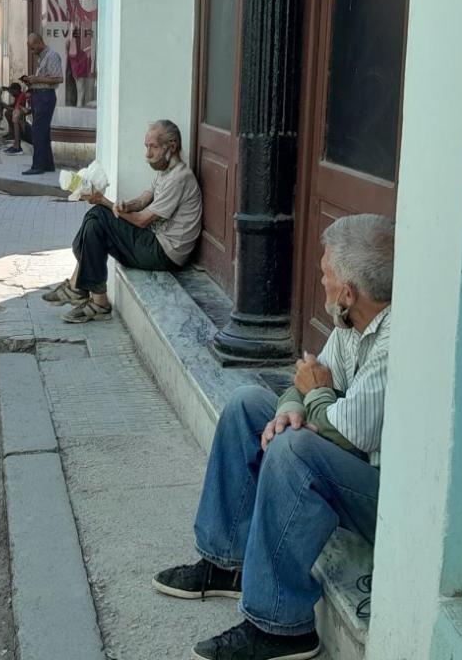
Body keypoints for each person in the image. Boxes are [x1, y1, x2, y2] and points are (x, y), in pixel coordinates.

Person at [153, 214, 394, 660]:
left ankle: (282, 627)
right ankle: (227, 563)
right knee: (248, 404)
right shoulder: (350, 322)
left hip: (386, 498)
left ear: (348, 292)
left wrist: (313, 397)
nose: (319, 281)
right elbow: (301, 381)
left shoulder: (395, 340)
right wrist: (286, 410)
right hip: (348, 450)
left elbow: (348, 433)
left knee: (295, 450)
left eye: (325, 274)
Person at [44, 120, 202, 323]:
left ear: (172, 146)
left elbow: (142, 220)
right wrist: (123, 206)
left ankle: (82, 290)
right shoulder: (165, 173)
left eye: (153, 147)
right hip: (153, 242)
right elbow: (143, 201)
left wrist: (104, 201)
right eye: (146, 146)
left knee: (99, 215)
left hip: (165, 253)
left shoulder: (180, 178)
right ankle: (92, 298)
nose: (147, 154)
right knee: (97, 219)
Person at [21, 33, 62, 176]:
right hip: (39, 95)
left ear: (38, 43)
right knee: (42, 132)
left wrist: (37, 79)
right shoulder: (43, 57)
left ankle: (38, 165)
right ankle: (48, 165)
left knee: (38, 132)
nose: (32, 52)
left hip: (46, 96)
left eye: (33, 48)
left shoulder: (52, 56)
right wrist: (32, 83)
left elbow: (59, 79)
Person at [3, 81, 29, 155]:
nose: (11, 93)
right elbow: (15, 106)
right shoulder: (18, 96)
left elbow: (17, 109)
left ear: (16, 90)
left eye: (12, 91)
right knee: (10, 114)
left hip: (22, 119)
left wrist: (6, 106)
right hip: (20, 116)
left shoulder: (21, 96)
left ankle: (17, 146)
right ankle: (13, 138)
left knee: (15, 116)